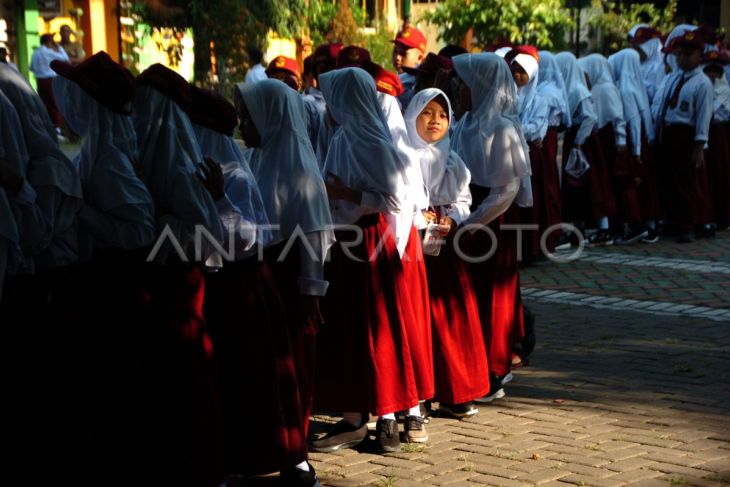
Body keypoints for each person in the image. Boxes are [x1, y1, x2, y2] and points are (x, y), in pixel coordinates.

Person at [50, 51, 157, 483]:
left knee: (117, 381)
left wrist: (81, 211)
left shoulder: (109, 157)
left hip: (117, 285)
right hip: (105, 280)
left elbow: (139, 230)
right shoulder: (99, 150)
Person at [310, 67, 419, 454]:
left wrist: (346, 191)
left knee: (377, 327)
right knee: (348, 328)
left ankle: (387, 411)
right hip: (344, 241)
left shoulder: (376, 143)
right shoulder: (341, 136)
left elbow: (393, 199)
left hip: (370, 241)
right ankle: (354, 415)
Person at [134, 63, 231, 487]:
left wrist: (153, 221)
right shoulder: (141, 150)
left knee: (184, 383)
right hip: (156, 291)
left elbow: (203, 236)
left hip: (177, 289)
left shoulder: (179, 163)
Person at [234, 79, 334, 464]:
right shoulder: (258, 158)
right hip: (264, 274)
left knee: (290, 363)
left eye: (249, 118)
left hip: (290, 281)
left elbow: (314, 234)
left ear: (272, 118)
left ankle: (295, 449)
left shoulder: (300, 170)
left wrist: (311, 290)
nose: (243, 126)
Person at [404, 88, 490, 418]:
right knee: (418, 318)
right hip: (412, 246)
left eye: (442, 114)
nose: (435, 120)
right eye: (427, 113)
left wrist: (452, 218)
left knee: (451, 316)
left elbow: (463, 200)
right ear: (413, 116)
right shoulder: (403, 157)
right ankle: (419, 395)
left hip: (444, 246)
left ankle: (456, 390)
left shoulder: (451, 158)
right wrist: (417, 216)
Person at [450, 53, 532, 403]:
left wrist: (474, 222)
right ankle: (473, 365)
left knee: (492, 295)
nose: (457, 89)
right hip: (468, 213)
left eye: (463, 83)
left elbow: (508, 188)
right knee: (468, 294)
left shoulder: (502, 128)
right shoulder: (467, 122)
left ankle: (493, 370)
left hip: (490, 218)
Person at [652, 29, 714, 243]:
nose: (682, 58)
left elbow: (703, 116)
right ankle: (671, 220)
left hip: (685, 135)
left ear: (699, 56)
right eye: (678, 54)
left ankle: (687, 225)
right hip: (667, 132)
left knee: (685, 182)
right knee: (668, 179)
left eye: (688, 54)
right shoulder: (673, 78)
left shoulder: (702, 83)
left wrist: (699, 146)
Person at [578, 53, 642, 244]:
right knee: (607, 185)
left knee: (620, 183)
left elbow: (617, 118)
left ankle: (633, 224)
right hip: (602, 139)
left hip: (611, 141)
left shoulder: (606, 88)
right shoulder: (597, 88)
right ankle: (613, 226)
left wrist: (621, 141)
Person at [555, 52, 615, 246]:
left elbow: (590, 117)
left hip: (584, 142)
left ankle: (602, 229)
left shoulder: (578, 90)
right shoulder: (571, 88)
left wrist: (579, 142)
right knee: (575, 186)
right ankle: (576, 229)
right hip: (577, 140)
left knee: (591, 185)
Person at [609, 48, 662, 243]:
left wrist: (636, 152)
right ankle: (646, 226)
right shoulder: (634, 85)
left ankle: (637, 226)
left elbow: (632, 122)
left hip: (634, 145)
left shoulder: (625, 89)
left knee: (631, 183)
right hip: (640, 144)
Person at [504, 46, 549, 262]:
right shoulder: (507, 95)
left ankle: (530, 248)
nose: (517, 76)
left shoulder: (539, 100)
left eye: (522, 71)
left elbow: (537, 127)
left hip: (529, 154)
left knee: (529, 202)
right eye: (514, 71)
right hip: (510, 152)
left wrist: (517, 129)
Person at [536, 51, 571, 254]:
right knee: (548, 183)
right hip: (547, 137)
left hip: (544, 138)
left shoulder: (547, 92)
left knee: (547, 184)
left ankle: (553, 231)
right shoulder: (548, 88)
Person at [701, 50, 730, 230]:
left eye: (716, 71)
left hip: (720, 137)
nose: (712, 74)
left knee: (721, 175)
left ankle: (723, 216)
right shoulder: (702, 86)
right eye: (709, 70)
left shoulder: (725, 90)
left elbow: (723, 114)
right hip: (704, 135)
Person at [30, 34, 69, 134]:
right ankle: (57, 127)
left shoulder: (35, 53)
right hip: (50, 79)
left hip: (39, 81)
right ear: (49, 42)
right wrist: (58, 47)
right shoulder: (48, 52)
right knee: (55, 103)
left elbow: (31, 68)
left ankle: (49, 126)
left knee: (45, 104)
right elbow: (65, 58)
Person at [392, 24, 428, 110]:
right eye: (395, 51)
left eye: (403, 53)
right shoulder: (394, 79)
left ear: (419, 58)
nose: (397, 57)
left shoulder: (419, 83)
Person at [628, 25, 665, 102]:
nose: (635, 52)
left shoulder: (661, 67)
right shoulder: (634, 64)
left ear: (651, 46)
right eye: (634, 48)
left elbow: (658, 96)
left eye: (638, 48)